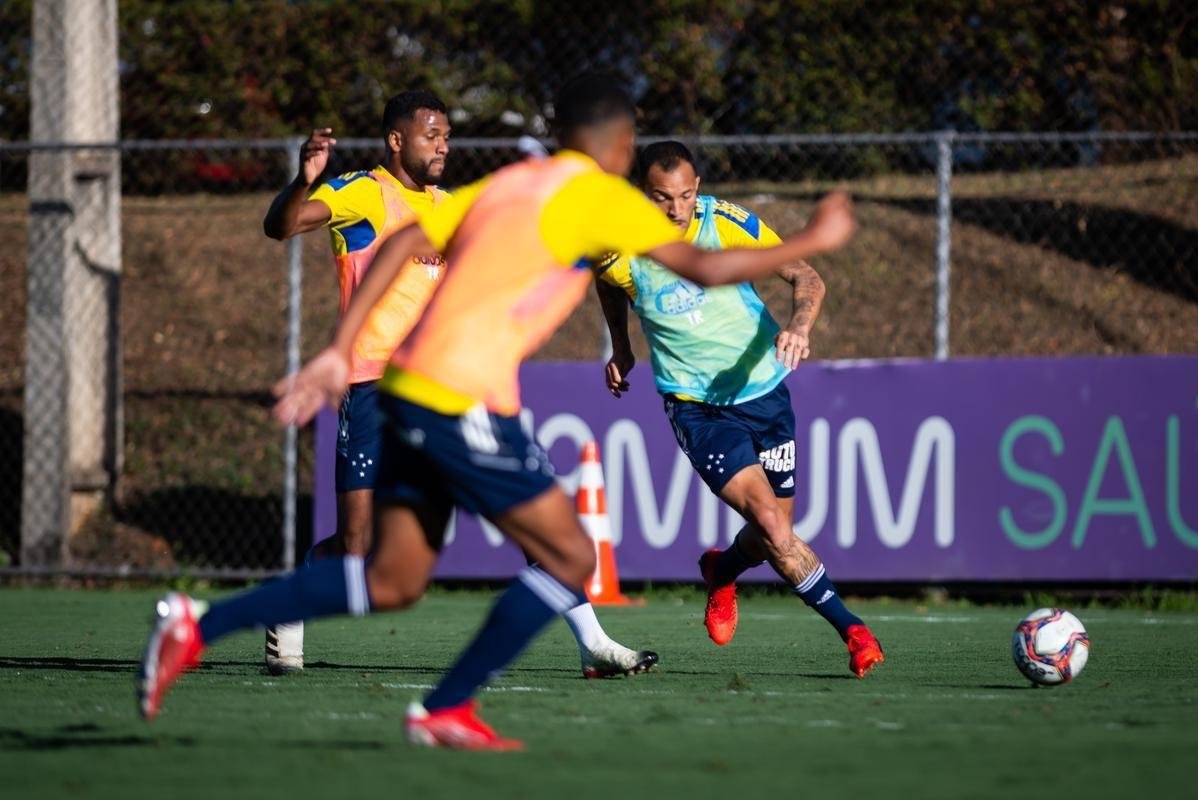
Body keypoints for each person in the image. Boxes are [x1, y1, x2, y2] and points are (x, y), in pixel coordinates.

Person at [137, 74, 856, 750]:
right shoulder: (601, 198)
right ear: (618, 146)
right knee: (567, 552)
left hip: (413, 389)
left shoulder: (509, 182)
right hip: (460, 397)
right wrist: (813, 242)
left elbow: (413, 241)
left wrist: (338, 348)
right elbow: (703, 266)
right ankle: (447, 705)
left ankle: (197, 625)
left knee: (392, 578)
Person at [260, 90, 656, 679]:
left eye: (447, 135)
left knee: (533, 517)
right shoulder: (366, 192)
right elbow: (282, 225)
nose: (443, 145)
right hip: (373, 387)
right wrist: (303, 181)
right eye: (431, 136)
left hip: (453, 386)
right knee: (357, 546)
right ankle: (285, 604)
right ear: (396, 141)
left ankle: (593, 643)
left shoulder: (454, 204)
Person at [595, 141, 883, 679]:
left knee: (774, 531)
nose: (676, 210)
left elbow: (807, 277)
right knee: (774, 526)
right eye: (662, 198)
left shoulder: (726, 223)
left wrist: (798, 327)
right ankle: (854, 631)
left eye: (685, 196)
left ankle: (722, 570)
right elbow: (607, 282)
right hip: (698, 408)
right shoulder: (618, 245)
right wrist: (622, 346)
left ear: (698, 189)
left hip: (766, 395)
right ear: (642, 194)